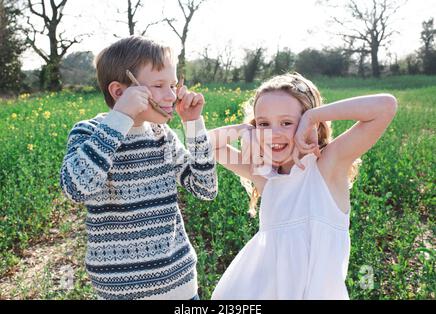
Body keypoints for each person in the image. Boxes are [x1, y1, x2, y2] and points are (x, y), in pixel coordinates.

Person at [209, 72, 397, 299]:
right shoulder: (266, 177)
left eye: (287, 123)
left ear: (309, 125)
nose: (273, 133)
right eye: (264, 123)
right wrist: (245, 130)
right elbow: (203, 145)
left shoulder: (327, 167)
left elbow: (385, 106)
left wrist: (312, 116)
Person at [59, 36, 217, 300]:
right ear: (120, 92)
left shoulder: (161, 134)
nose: (171, 95)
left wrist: (193, 124)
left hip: (181, 286)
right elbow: (76, 189)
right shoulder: (90, 132)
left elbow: (205, 188)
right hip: (122, 292)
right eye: (158, 85)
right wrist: (120, 118)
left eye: (173, 85)